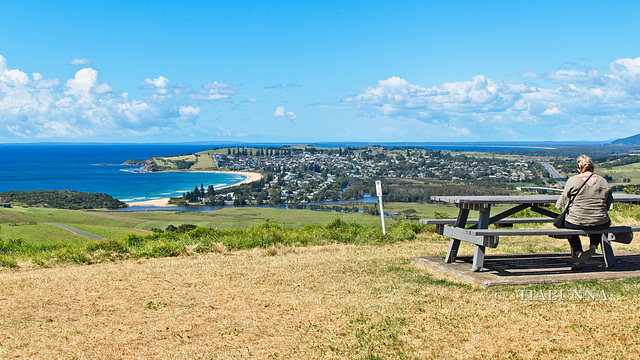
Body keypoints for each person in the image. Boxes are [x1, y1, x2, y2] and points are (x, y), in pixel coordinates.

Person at [556, 155, 613, 270]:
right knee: (597, 220)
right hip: (600, 222)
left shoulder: (573, 180)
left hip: (576, 222)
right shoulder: (603, 181)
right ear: (592, 168)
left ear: (579, 169)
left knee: (567, 226)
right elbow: (609, 205)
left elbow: (561, 205)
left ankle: (578, 253)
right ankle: (593, 247)